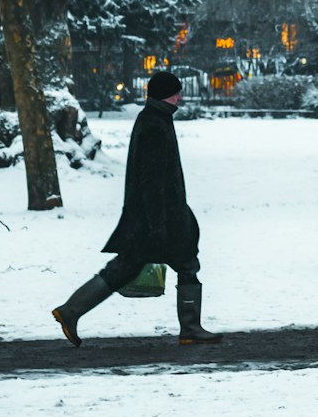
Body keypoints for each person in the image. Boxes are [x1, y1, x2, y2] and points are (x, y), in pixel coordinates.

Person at [52, 71, 222, 347]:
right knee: (178, 263)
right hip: (159, 216)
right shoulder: (156, 124)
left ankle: (70, 311)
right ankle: (190, 328)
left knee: (127, 267)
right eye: (176, 92)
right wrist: (158, 224)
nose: (180, 96)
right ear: (167, 94)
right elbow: (152, 180)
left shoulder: (154, 119)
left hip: (155, 215)